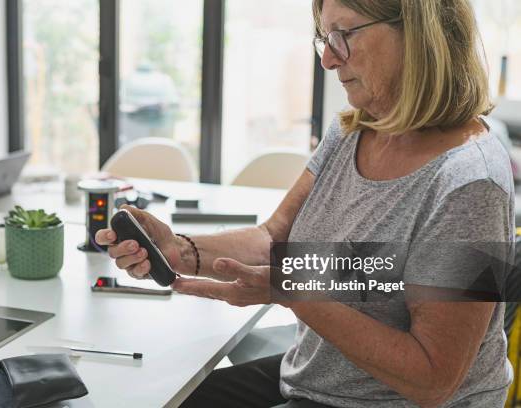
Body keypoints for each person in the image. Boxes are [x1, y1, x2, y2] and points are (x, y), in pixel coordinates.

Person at [96, 0, 514, 406]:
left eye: (343, 35)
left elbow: (432, 381)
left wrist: (291, 290)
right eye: (324, 38)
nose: (328, 60)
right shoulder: (355, 130)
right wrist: (181, 250)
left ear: (419, 34)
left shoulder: (470, 183)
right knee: (160, 396)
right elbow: (275, 240)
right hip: (315, 381)